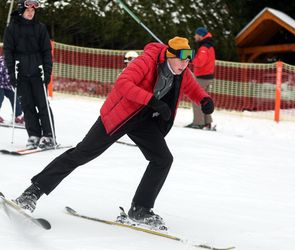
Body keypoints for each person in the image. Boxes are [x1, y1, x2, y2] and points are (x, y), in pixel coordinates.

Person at [14, 37, 214, 226]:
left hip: (144, 120)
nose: (184, 66)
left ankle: (140, 208)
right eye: (180, 61)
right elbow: (123, 83)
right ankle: (32, 193)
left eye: (187, 62)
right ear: (169, 56)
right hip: (119, 115)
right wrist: (151, 101)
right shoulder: (146, 61)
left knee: (163, 159)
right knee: (82, 153)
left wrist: (203, 99)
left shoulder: (182, 70)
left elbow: (191, 87)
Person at [3, 0, 55, 148]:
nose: (31, 13)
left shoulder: (40, 28)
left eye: (33, 10)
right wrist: (12, 74)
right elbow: (8, 53)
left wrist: (47, 71)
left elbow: (46, 52)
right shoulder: (11, 29)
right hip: (21, 73)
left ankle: (48, 135)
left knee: (42, 104)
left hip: (38, 72)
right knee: (27, 105)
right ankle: (34, 135)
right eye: (28, 11)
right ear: (21, 11)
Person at [185, 27, 216, 129]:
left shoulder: (204, 48)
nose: (194, 36)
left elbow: (199, 62)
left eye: (196, 34)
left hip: (202, 77)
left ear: (201, 35)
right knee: (205, 99)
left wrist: (189, 56)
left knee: (197, 98)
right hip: (207, 76)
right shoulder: (208, 46)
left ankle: (198, 122)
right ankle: (207, 122)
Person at [0, 56, 24, 124]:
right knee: (0, 96)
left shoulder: (16, 64)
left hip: (7, 86)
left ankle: (18, 115)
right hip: (0, 83)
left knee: (14, 97)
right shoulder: (2, 62)